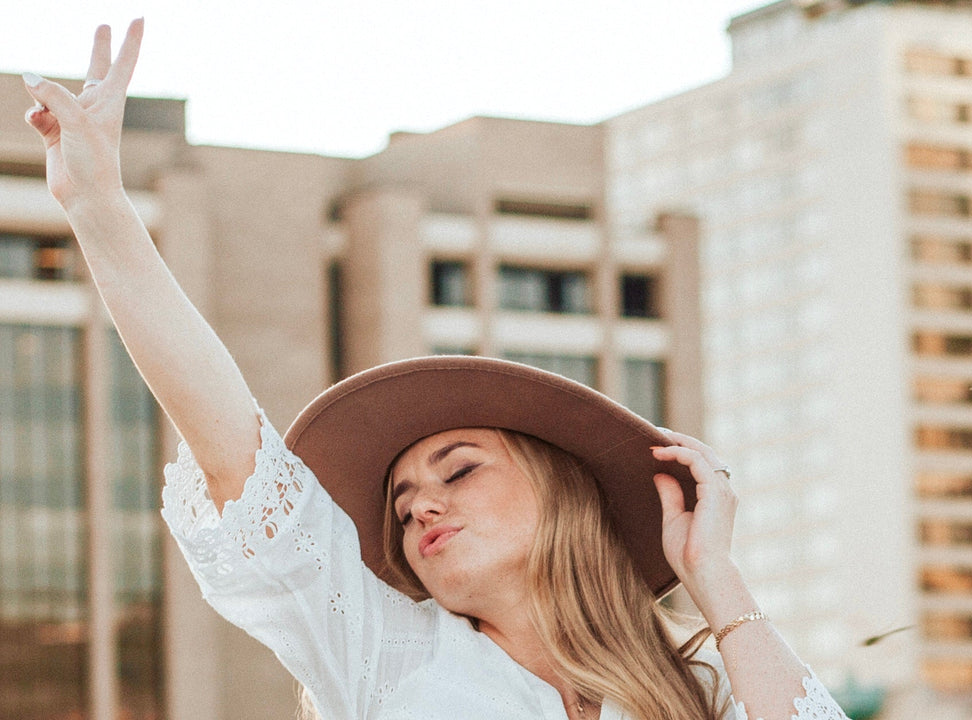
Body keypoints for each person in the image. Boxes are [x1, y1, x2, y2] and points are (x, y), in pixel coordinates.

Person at [22, 20, 852, 720]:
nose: (421, 506)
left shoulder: (701, 690)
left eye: (457, 469)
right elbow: (232, 445)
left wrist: (713, 575)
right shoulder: (383, 654)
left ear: (563, 488)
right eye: (402, 502)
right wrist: (99, 209)